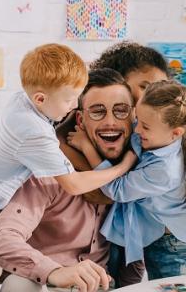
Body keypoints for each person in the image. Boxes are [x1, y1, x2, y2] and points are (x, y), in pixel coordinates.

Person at [0, 44, 135, 276]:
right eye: (70, 100)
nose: (73, 107)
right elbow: (73, 184)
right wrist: (122, 168)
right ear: (40, 98)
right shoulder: (34, 131)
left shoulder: (24, 100)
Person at [68, 80, 186, 279]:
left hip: (176, 246)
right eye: (137, 119)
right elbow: (135, 140)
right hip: (159, 235)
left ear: (175, 133)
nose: (137, 130)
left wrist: (86, 146)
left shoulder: (164, 170)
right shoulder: (158, 136)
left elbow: (116, 190)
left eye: (144, 127)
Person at [57, 41, 172, 285]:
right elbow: (95, 191)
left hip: (132, 231)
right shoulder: (69, 124)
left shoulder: (147, 129)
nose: (154, 95)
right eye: (145, 87)